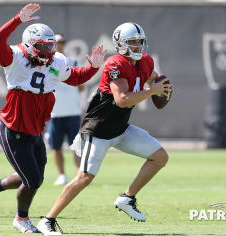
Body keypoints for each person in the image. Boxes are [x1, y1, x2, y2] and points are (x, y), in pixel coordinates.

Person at [0, 3, 106, 234]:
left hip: (35, 129)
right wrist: (17, 19)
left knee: (31, 175)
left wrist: (93, 67)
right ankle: (21, 219)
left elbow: (75, 78)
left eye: (50, 46)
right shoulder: (16, 57)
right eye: (42, 46)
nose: (47, 51)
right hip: (12, 127)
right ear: (29, 45)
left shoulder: (55, 62)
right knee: (33, 180)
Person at [36, 22, 172, 235]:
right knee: (84, 177)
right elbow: (122, 99)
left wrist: (163, 85)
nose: (137, 46)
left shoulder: (145, 61)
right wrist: (151, 91)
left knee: (160, 157)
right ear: (120, 44)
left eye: (139, 42)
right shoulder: (114, 63)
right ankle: (47, 220)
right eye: (132, 42)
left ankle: (127, 198)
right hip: (97, 130)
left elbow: (154, 78)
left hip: (120, 129)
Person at [46, 33, 83, 186]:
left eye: (61, 42)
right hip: (55, 113)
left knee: (77, 147)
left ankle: (79, 175)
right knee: (56, 146)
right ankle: (62, 175)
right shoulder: (47, 63)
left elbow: (81, 86)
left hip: (73, 113)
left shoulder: (73, 62)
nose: (59, 45)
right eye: (56, 43)